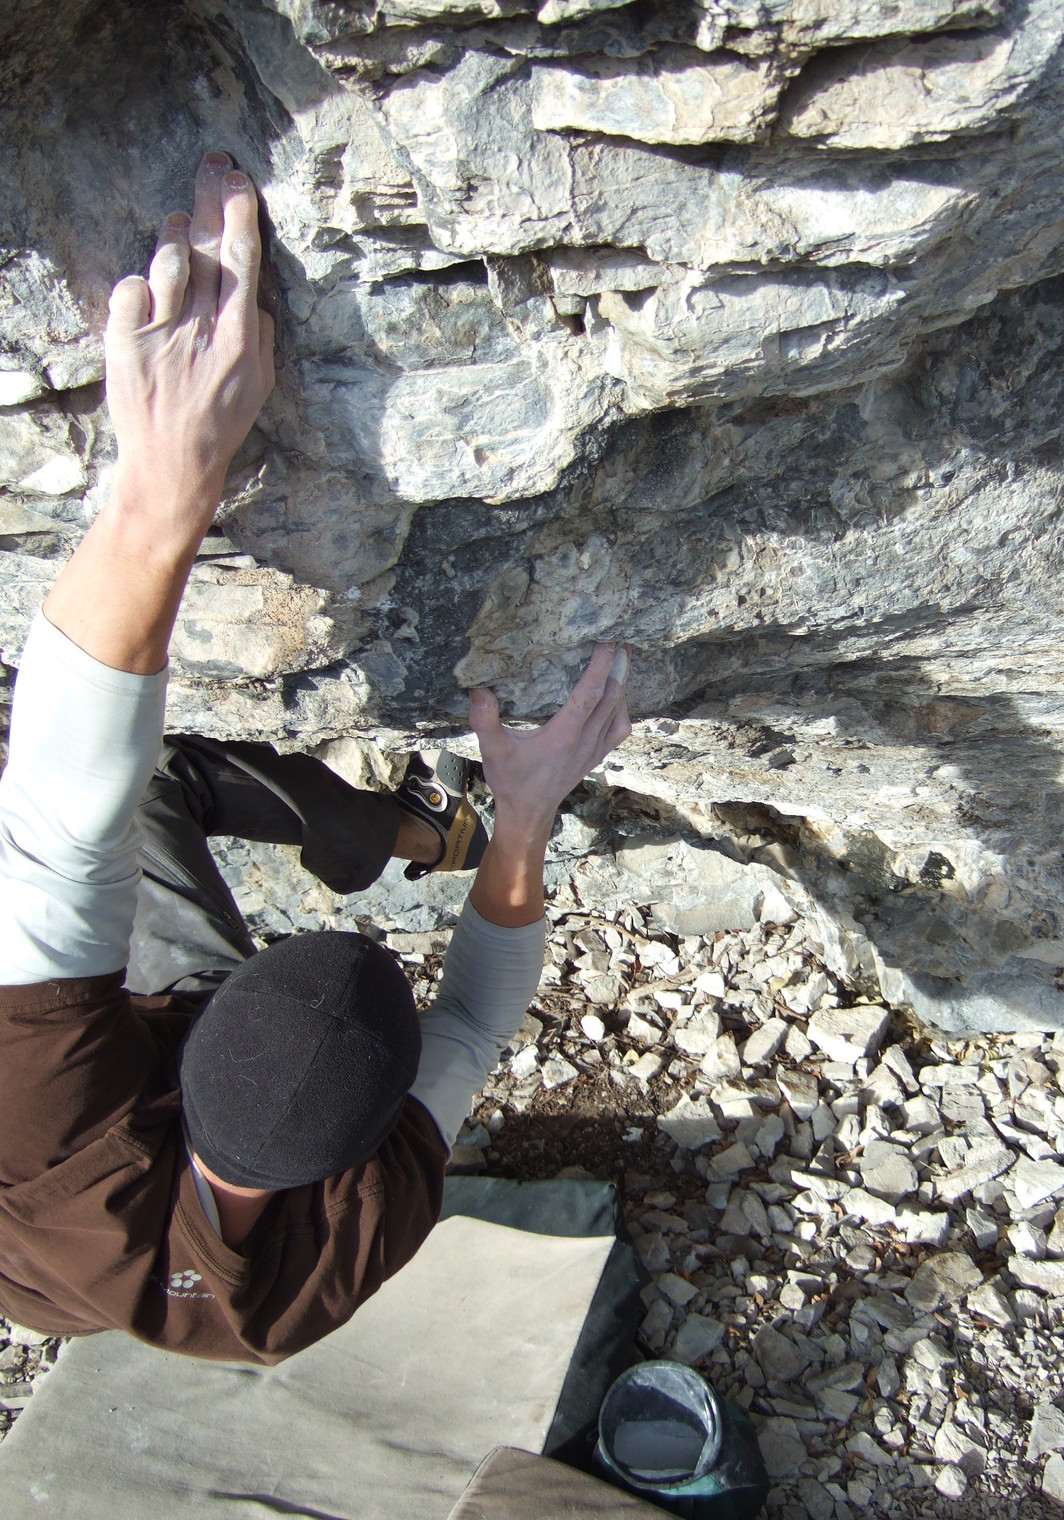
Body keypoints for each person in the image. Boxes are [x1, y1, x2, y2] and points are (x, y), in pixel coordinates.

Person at [0, 152, 631, 1363]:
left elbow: (59, 824)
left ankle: (409, 832)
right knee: (154, 787)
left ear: (194, 1024)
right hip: (74, 1241)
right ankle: (419, 832)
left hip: (36, 1243)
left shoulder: (51, 1120)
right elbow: (473, 1017)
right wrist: (522, 822)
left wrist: (163, 488)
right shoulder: (358, 1225)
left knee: (113, 792)